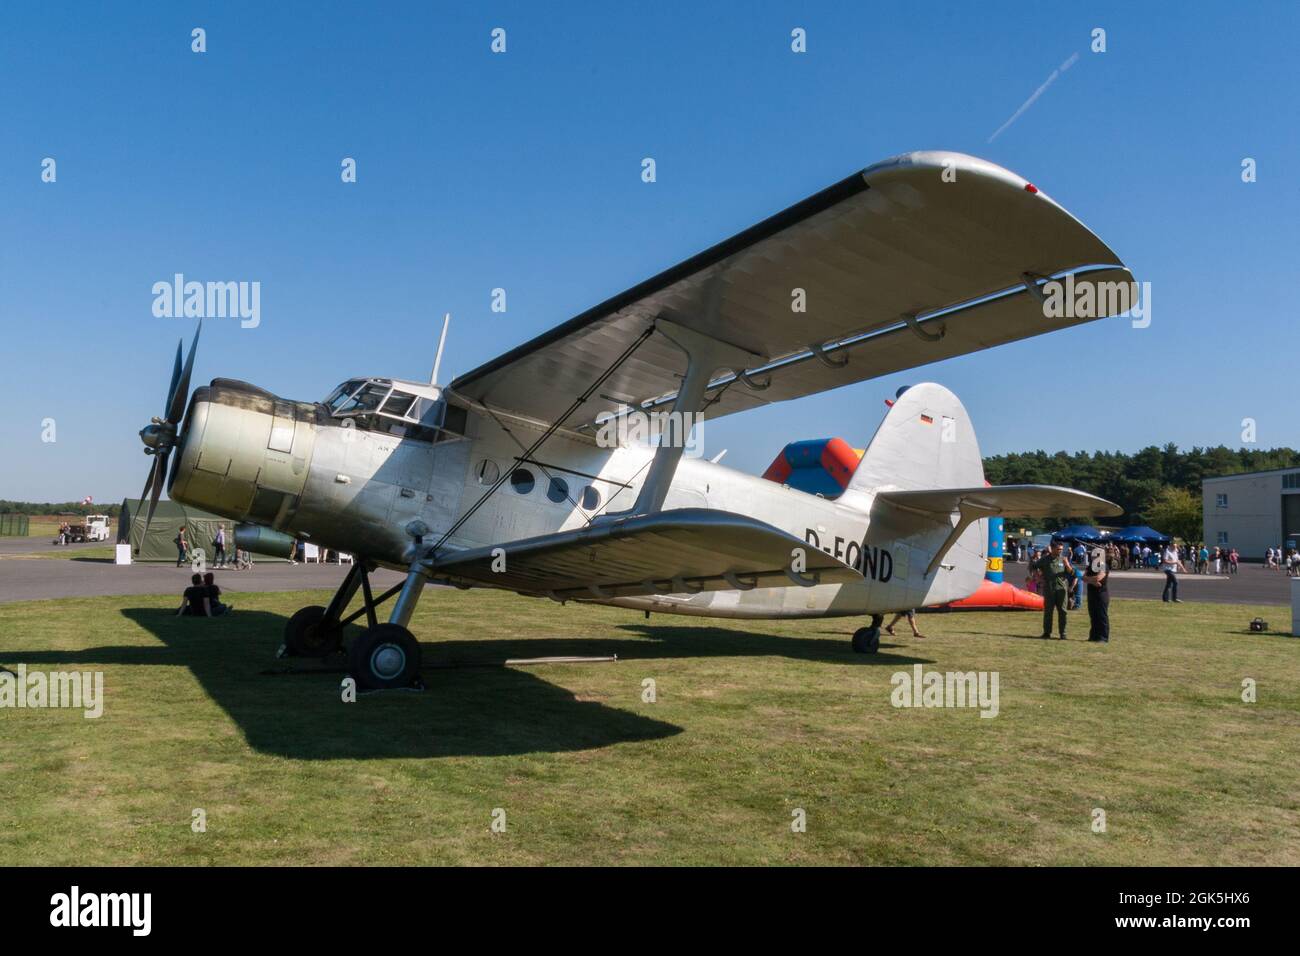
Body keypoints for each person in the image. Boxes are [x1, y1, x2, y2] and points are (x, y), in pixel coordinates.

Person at [1032, 541, 1074, 639]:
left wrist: (1067, 565)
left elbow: (1072, 573)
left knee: (1063, 612)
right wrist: (1038, 577)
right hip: (1049, 589)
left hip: (1061, 589)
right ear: (1052, 548)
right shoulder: (1045, 559)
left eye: (1061, 549)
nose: (1060, 551)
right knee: (1048, 612)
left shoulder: (1063, 559)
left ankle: (1063, 633)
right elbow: (1034, 566)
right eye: (1058, 549)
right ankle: (1047, 633)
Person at [1083, 545, 1110, 643]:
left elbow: (1099, 578)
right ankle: (1093, 636)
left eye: (1095, 555)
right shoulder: (1090, 566)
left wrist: (1090, 580)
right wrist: (1092, 581)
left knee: (1101, 616)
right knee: (1093, 615)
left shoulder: (1103, 565)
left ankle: (1103, 637)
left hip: (1101, 594)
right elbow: (1083, 577)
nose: (1093, 557)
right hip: (1092, 593)